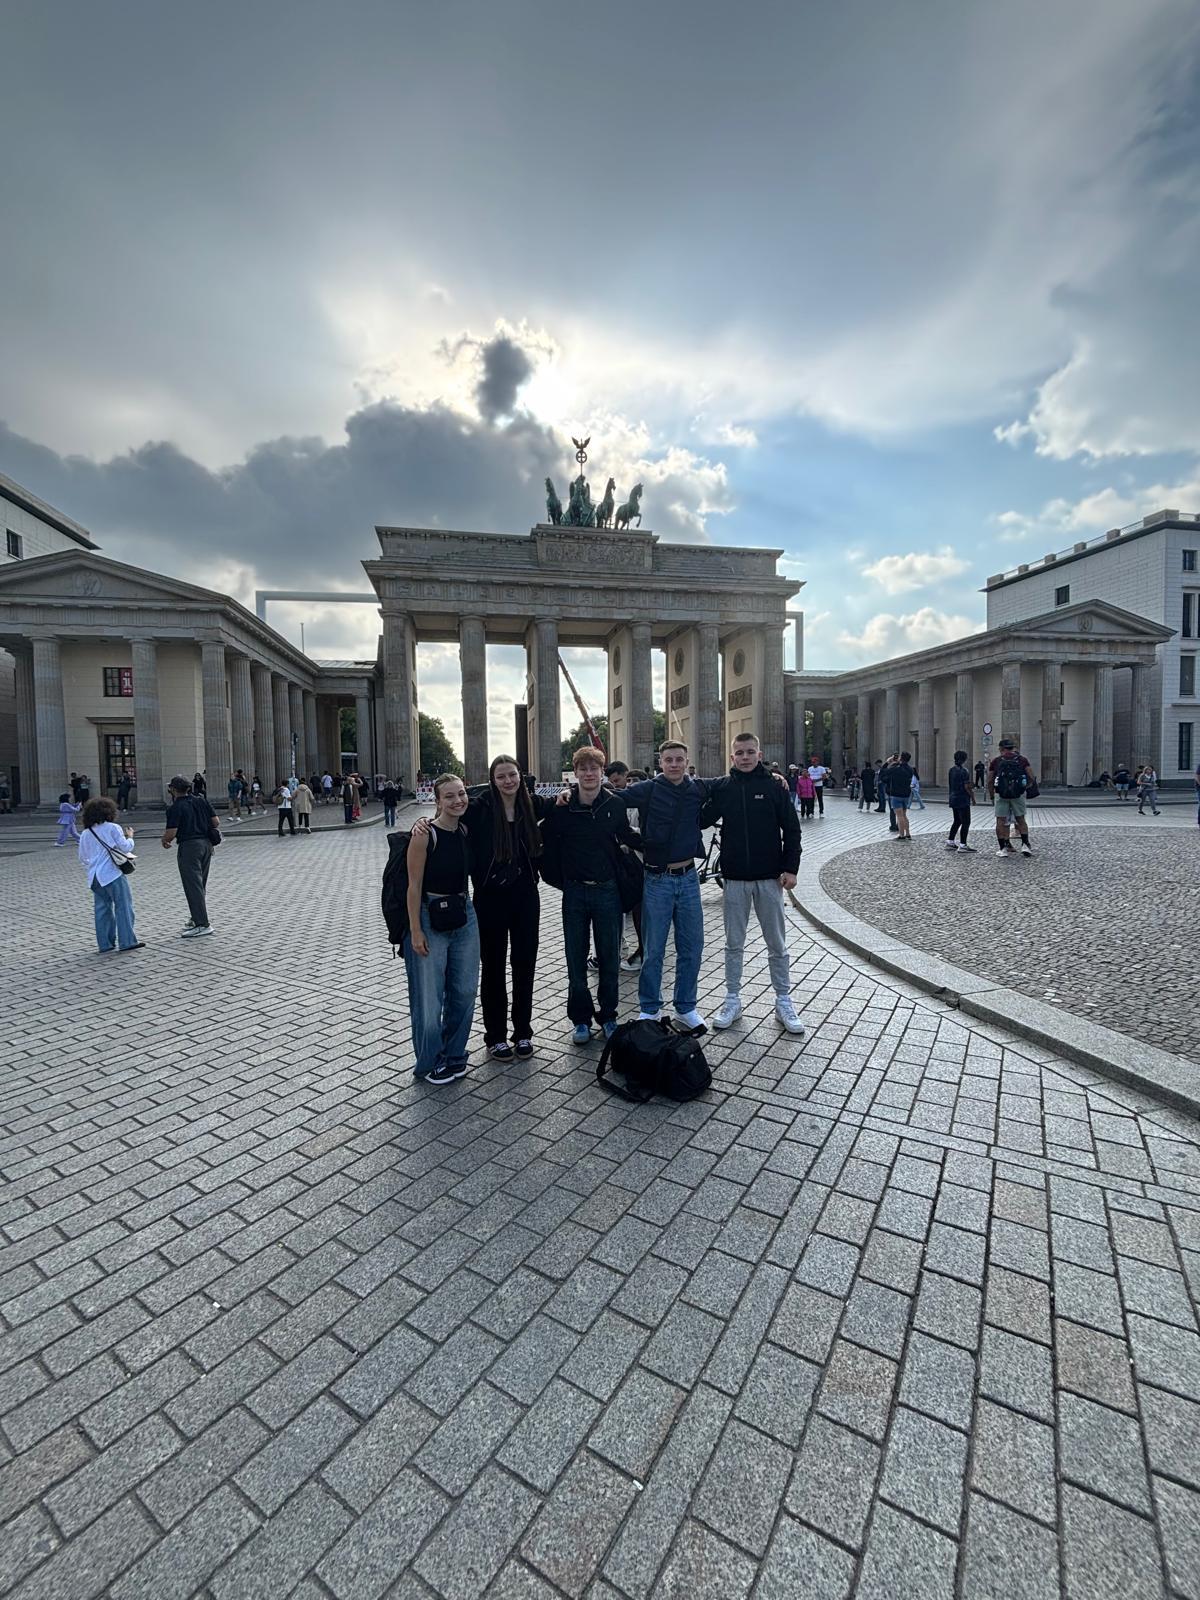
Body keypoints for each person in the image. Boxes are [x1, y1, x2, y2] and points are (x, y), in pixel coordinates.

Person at [702, 733, 805, 1036]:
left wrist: (791, 868)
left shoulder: (774, 785)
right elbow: (701, 819)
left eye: (750, 752)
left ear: (759, 754)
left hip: (769, 878)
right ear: (731, 756)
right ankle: (732, 998)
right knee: (733, 943)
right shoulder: (723, 787)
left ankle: (783, 1000)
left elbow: (792, 829)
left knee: (777, 944)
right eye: (739, 753)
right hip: (734, 878)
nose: (744, 757)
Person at [608, 740, 708, 1031]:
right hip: (657, 879)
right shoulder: (649, 788)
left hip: (688, 878)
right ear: (660, 762)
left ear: (687, 760)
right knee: (653, 949)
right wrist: (574, 793)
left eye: (679, 759)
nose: (674, 764)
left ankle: (686, 1007)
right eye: (668, 760)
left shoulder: (698, 788)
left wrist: (773, 777)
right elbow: (616, 797)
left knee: (692, 947)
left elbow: (729, 784)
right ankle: (650, 1008)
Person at [544, 747, 637, 1043]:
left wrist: (662, 845)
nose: (588, 773)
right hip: (574, 892)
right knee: (575, 958)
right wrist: (560, 880)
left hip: (607, 890)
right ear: (576, 772)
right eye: (582, 768)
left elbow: (627, 836)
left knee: (609, 958)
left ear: (602, 771)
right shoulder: (562, 807)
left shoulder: (615, 804)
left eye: (593, 768)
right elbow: (547, 844)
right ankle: (581, 1019)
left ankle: (608, 1015)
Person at [403, 774, 480, 1084]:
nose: (457, 800)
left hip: (464, 913)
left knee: (464, 991)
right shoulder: (424, 834)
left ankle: (454, 1054)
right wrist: (415, 930)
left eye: (461, 794)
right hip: (428, 915)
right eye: (449, 796)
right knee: (429, 997)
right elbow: (413, 886)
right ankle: (430, 1061)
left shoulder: (464, 829)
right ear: (437, 802)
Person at [77, 796, 143, 952]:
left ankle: (105, 944)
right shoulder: (113, 828)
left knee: (102, 909)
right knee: (123, 907)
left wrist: (93, 864)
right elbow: (126, 847)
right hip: (112, 874)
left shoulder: (86, 833)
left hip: (94, 877)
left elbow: (82, 858)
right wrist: (130, 836)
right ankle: (127, 941)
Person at [162, 774, 219, 936]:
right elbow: (216, 822)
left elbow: (171, 832)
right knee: (200, 884)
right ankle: (196, 918)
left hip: (189, 847)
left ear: (173, 790)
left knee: (192, 885)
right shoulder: (201, 800)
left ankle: (202, 923)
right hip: (207, 844)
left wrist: (165, 841)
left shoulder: (175, 808)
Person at [604, 761, 644, 970]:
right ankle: (625, 949)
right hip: (629, 864)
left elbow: (635, 832)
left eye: (619, 780)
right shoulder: (620, 801)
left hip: (640, 865)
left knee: (639, 910)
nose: (618, 785)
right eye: (612, 782)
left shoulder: (637, 800)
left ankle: (643, 951)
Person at [988, 738, 1034, 857]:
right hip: (1017, 794)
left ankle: (1003, 848)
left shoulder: (996, 761)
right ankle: (1025, 845)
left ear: (1001, 749)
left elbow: (990, 780)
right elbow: (1031, 776)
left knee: (1000, 821)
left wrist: (992, 795)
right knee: (1021, 819)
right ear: (1013, 748)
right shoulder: (1022, 760)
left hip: (1001, 794)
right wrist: (1024, 788)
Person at [946, 750, 975, 852]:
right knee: (966, 822)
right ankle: (963, 844)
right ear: (964, 759)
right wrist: (973, 797)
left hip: (953, 798)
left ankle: (950, 841)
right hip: (962, 799)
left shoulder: (951, 770)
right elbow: (967, 786)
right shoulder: (964, 771)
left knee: (957, 820)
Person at [883, 751, 915, 840]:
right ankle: (908, 833)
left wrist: (888, 762)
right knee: (904, 815)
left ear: (901, 758)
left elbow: (884, 773)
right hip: (906, 794)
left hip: (896, 794)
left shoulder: (896, 769)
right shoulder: (910, 769)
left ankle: (901, 835)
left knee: (899, 816)